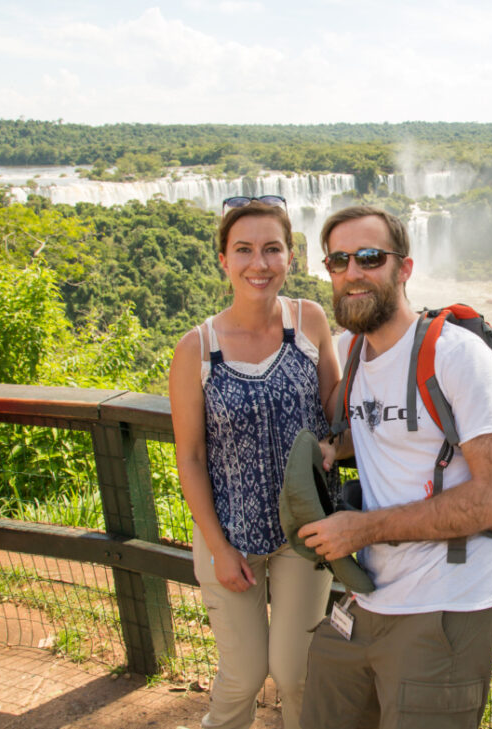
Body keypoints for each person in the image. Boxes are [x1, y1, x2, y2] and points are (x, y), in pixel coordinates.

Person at [297, 206, 492, 729]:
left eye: (370, 257)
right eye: (339, 260)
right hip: (367, 594)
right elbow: (386, 427)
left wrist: (365, 527)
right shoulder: (352, 350)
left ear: (405, 268)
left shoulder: (457, 357)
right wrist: (335, 449)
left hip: (445, 604)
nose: (354, 272)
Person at [169, 195, 340, 729]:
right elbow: (191, 458)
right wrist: (218, 548)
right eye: (243, 249)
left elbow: (335, 413)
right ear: (224, 259)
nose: (258, 263)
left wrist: (336, 441)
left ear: (291, 256)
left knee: (296, 672)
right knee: (243, 674)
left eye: (272, 249)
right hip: (230, 536)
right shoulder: (196, 349)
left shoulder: (309, 322)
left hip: (305, 532)